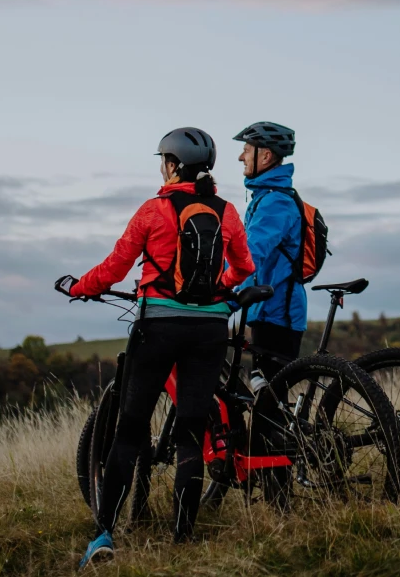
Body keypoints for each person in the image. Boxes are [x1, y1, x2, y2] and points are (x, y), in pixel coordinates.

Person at [55, 127, 254, 570]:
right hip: (209, 331)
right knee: (190, 431)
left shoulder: (154, 210)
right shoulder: (226, 212)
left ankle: (104, 532)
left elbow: (114, 267)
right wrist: (217, 289)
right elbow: (244, 266)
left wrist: (79, 287)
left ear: (171, 165)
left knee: (129, 431)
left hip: (158, 329)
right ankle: (182, 537)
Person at [234, 121, 306, 378]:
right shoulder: (266, 197)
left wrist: (218, 286)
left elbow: (251, 253)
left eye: (246, 150)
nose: (241, 156)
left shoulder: (275, 201)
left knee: (269, 407)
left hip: (278, 314)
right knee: (262, 388)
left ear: (265, 155)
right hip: (267, 309)